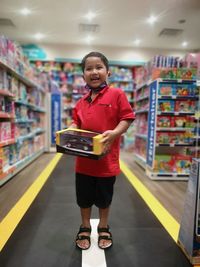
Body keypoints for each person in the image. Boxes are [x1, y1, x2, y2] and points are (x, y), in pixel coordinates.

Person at [70, 51, 135, 250]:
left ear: (108, 72)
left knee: (105, 198)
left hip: (107, 162)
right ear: (83, 76)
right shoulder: (81, 102)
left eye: (99, 67)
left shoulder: (117, 94)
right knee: (84, 198)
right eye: (89, 68)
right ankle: (85, 226)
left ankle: (104, 226)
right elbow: (76, 121)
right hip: (83, 162)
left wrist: (115, 133)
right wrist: (71, 128)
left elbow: (127, 117)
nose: (94, 71)